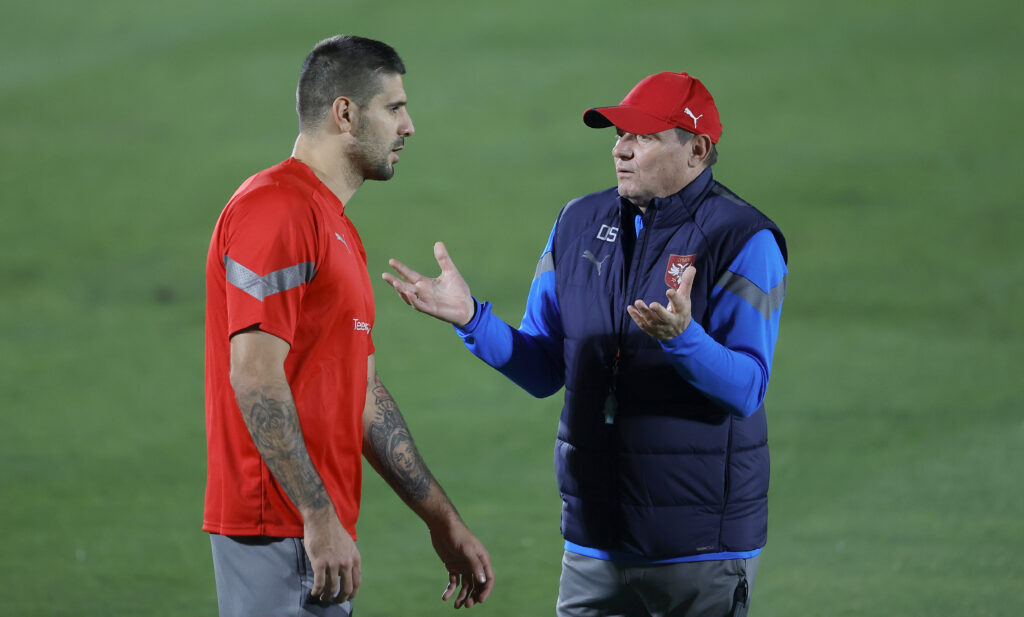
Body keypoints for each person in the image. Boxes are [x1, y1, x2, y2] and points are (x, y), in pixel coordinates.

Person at [382, 71, 788, 616]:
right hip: (593, 542)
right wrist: (472, 320)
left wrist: (685, 340)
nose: (620, 150)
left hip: (699, 548)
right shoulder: (577, 224)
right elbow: (545, 367)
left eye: (642, 138)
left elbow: (747, 389)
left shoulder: (744, 240)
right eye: (618, 135)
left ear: (697, 149)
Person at [203, 35, 494, 617]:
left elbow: (362, 396)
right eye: (394, 108)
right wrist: (314, 515)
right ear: (344, 112)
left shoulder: (333, 226)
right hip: (278, 528)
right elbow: (255, 374)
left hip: (314, 532)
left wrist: (442, 521)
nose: (408, 126)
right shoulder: (276, 210)